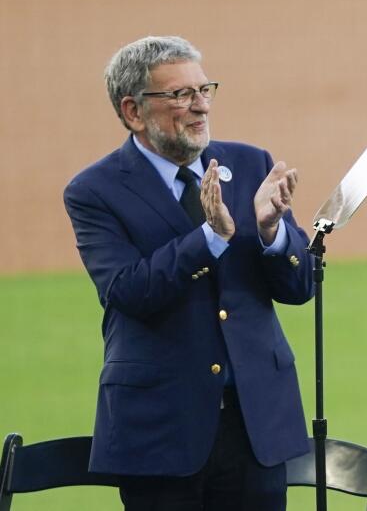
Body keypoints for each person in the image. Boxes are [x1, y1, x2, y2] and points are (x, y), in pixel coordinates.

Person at [64, 36, 314, 511]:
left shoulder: (250, 163)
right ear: (134, 111)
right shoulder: (93, 191)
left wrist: (271, 232)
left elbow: (300, 287)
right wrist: (210, 238)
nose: (200, 106)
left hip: (255, 425)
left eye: (204, 90)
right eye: (180, 95)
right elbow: (129, 290)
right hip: (160, 433)